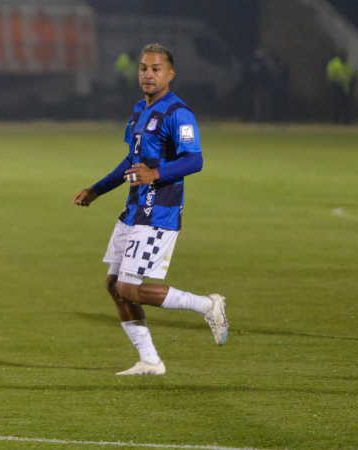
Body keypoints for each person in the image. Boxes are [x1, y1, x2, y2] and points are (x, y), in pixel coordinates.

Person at [72, 44, 229, 375]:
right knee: (113, 285)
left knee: (128, 288)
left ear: (170, 74)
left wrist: (155, 174)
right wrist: (97, 190)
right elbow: (131, 161)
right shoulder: (138, 111)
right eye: (143, 68)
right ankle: (150, 361)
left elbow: (194, 160)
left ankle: (207, 305)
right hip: (133, 210)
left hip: (159, 211)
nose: (147, 74)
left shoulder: (179, 113)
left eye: (156, 69)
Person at [327, 54, 353, 124]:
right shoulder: (334, 64)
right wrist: (336, 81)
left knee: (346, 105)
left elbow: (351, 74)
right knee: (337, 104)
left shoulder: (348, 64)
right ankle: (336, 120)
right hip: (337, 86)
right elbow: (330, 75)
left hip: (346, 87)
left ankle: (346, 121)